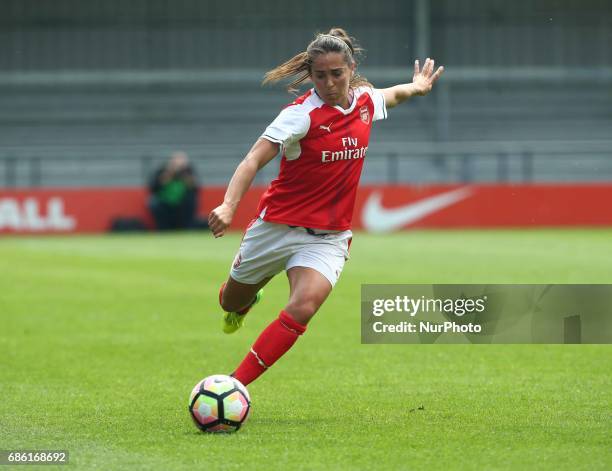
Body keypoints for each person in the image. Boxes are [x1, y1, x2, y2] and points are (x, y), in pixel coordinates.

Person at [208, 27, 444, 387]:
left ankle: (235, 385)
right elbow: (254, 159)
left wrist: (418, 87)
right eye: (321, 76)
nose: (330, 83)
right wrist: (228, 206)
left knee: (303, 307)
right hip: (276, 227)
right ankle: (243, 302)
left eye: (337, 74)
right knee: (229, 301)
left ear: (351, 68)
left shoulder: (364, 101)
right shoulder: (300, 115)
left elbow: (393, 95)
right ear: (311, 74)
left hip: (328, 238)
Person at [148, 151, 199, 230]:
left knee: (191, 202)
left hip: (182, 203)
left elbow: (195, 188)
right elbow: (153, 187)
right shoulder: (163, 170)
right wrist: (170, 173)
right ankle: (163, 229)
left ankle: (187, 229)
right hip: (164, 202)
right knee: (154, 204)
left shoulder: (188, 171)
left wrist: (183, 174)